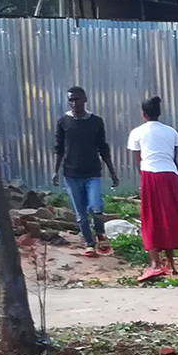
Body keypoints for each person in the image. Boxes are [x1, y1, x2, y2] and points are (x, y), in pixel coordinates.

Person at [126, 95, 178, 282]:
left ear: (144, 114)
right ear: (159, 113)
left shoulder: (137, 132)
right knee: (169, 216)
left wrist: (144, 180)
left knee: (150, 217)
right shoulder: (171, 132)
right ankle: (171, 264)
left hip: (150, 174)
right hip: (170, 175)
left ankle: (154, 264)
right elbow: (174, 158)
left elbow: (138, 162)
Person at [53, 86, 118, 255]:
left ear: (85, 99)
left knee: (96, 207)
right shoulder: (63, 122)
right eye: (71, 100)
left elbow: (103, 148)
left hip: (92, 173)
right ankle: (89, 244)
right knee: (80, 215)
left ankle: (100, 234)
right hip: (71, 173)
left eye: (77, 99)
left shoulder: (96, 122)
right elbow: (59, 148)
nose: (74, 103)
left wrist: (112, 172)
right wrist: (55, 171)